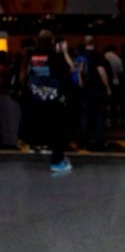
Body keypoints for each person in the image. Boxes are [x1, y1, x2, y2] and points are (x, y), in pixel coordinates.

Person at [20, 29, 73, 172]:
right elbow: (68, 72)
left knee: (43, 127)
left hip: (36, 97)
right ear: (52, 41)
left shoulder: (30, 55)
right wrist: (64, 52)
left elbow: (23, 76)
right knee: (58, 129)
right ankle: (57, 161)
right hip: (53, 98)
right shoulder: (55, 56)